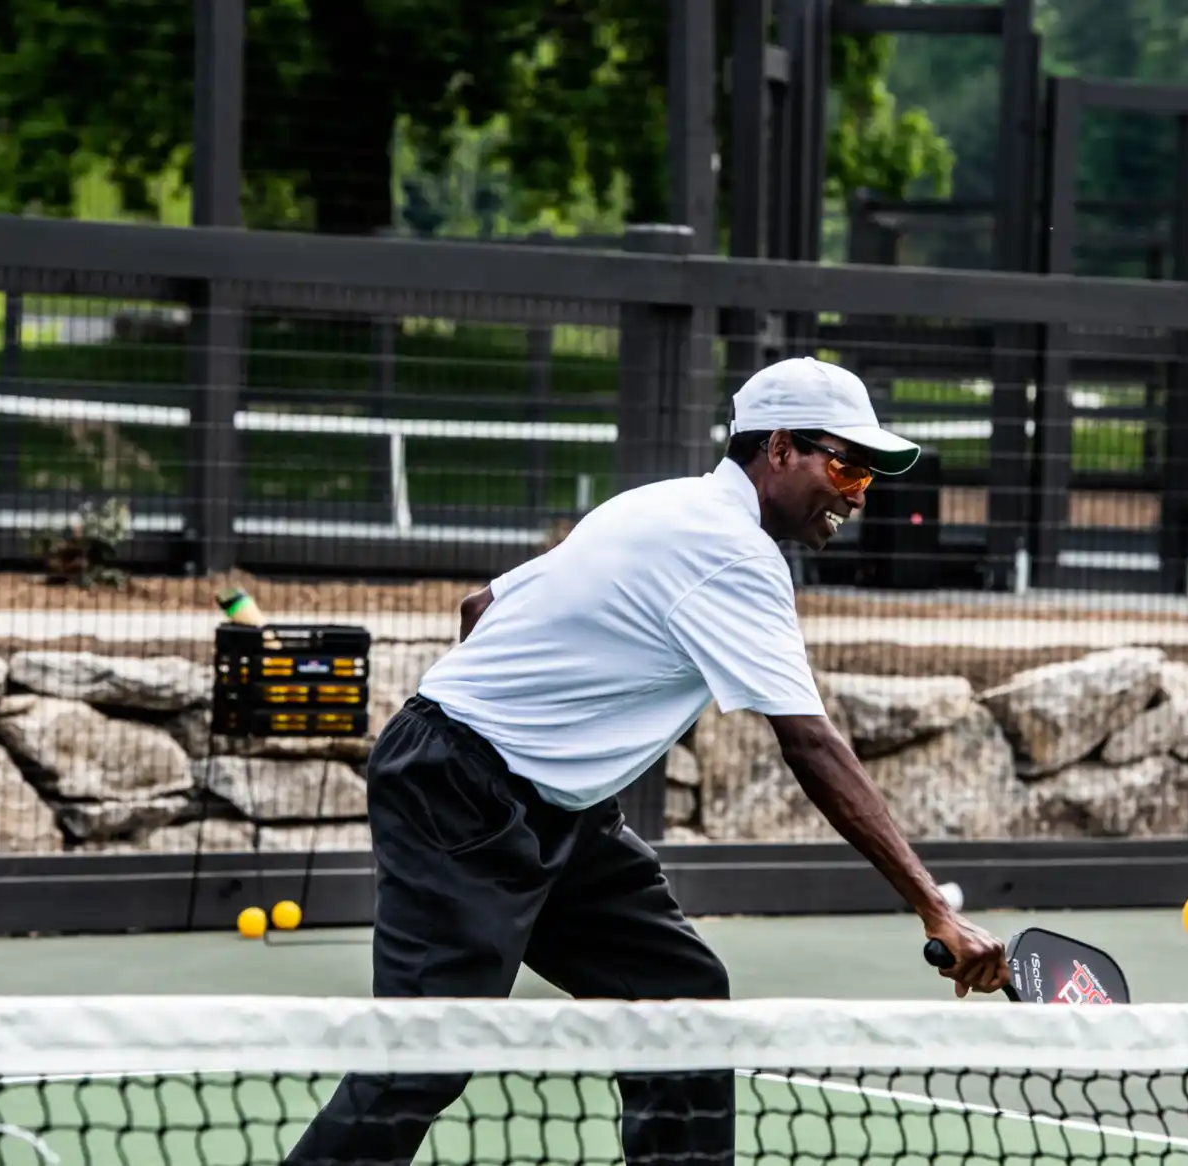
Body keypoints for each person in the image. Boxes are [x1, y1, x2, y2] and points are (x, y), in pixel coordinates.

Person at [283, 356, 1011, 1166]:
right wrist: (935, 910)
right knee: (425, 1055)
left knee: (681, 1004)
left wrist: (541, 729)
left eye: (868, 474)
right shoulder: (732, 552)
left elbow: (481, 606)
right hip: (459, 791)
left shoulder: (661, 503)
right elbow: (810, 743)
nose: (856, 491)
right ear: (777, 448)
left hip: (546, 802)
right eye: (843, 462)